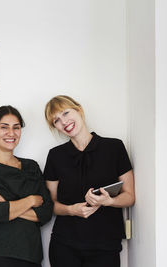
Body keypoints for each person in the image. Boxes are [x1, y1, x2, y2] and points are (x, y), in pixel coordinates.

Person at [43, 95, 135, 267]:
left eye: (65, 113)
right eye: (56, 120)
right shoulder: (55, 156)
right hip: (65, 245)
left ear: (79, 110)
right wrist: (71, 210)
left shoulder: (114, 147)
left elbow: (130, 196)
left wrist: (110, 200)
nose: (63, 122)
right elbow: (50, 204)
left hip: (106, 244)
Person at [0, 105, 53, 267]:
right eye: (4, 127)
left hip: (30, 252)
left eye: (16, 128)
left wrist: (6, 204)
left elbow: (45, 213)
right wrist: (29, 201)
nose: (11, 133)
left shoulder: (31, 167)